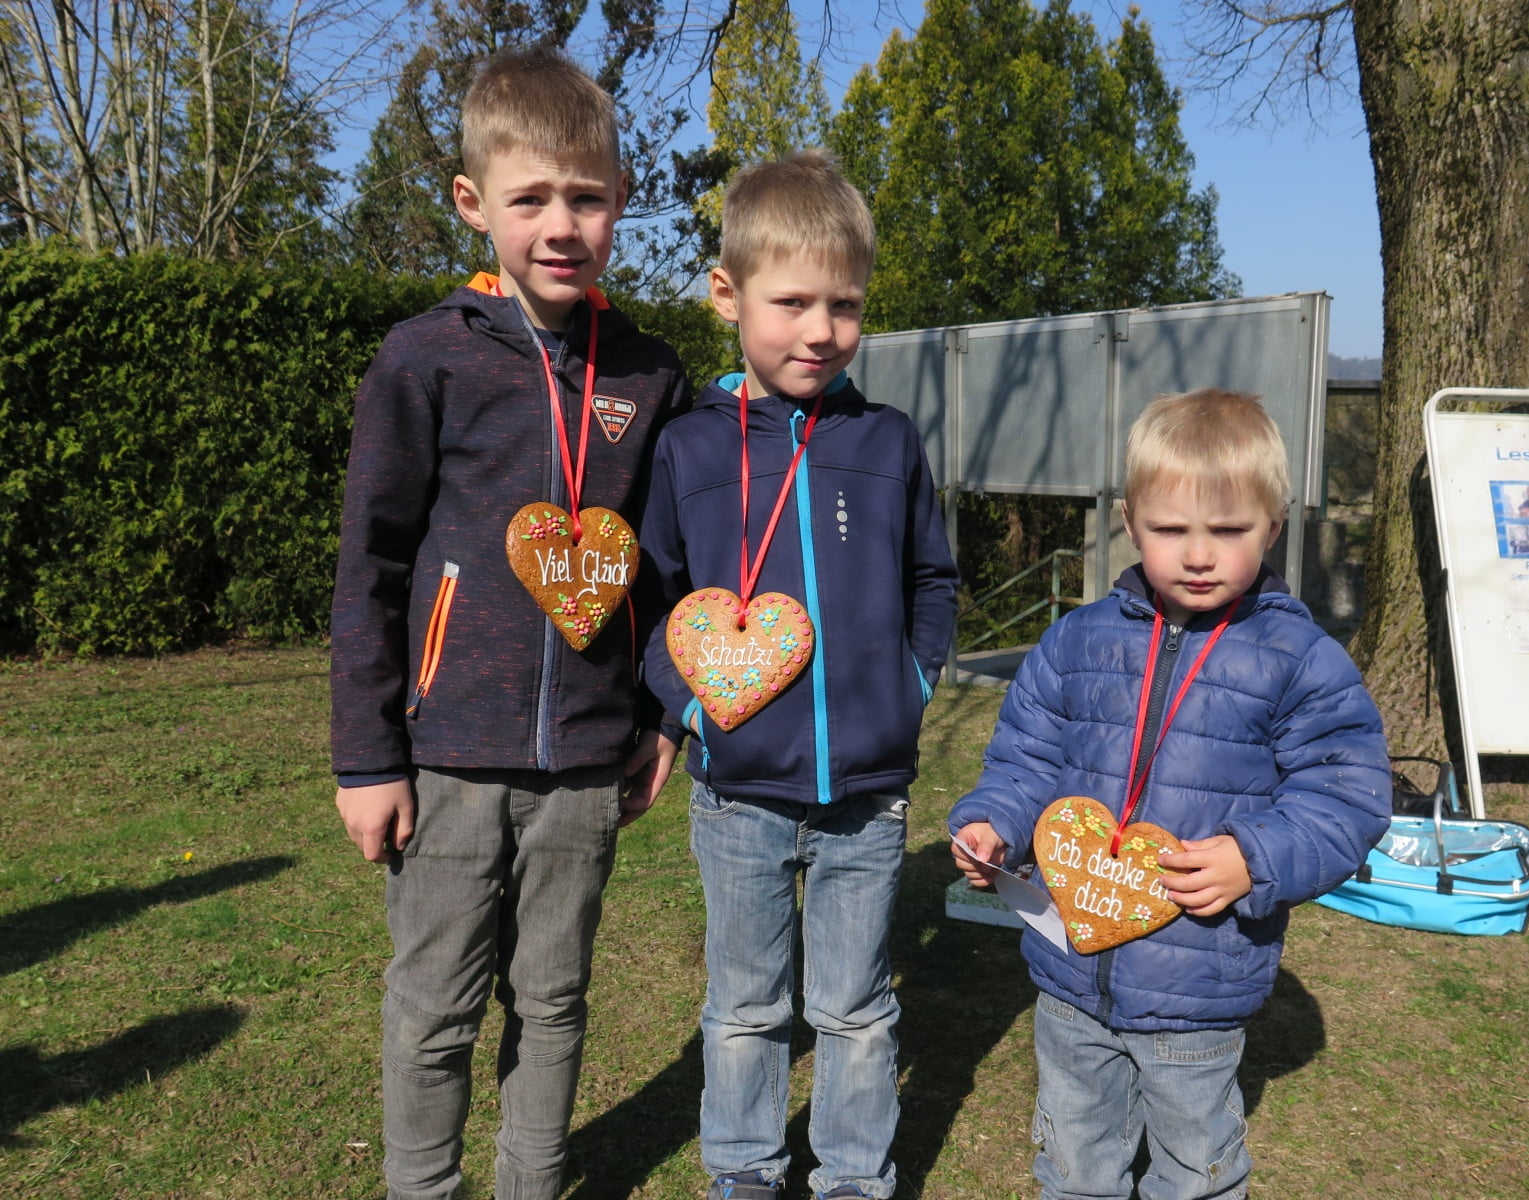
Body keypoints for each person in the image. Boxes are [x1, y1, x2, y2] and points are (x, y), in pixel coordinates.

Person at [328, 45, 689, 1200]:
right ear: (473, 203)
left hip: (584, 761)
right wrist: (368, 755)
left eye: (587, 196)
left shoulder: (649, 374)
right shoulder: (423, 358)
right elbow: (371, 566)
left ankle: (533, 1185)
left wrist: (655, 718)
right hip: (444, 763)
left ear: (620, 202)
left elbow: (660, 573)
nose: (561, 224)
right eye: (530, 197)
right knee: (432, 1007)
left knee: (555, 999)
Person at [948, 389, 1391, 1200]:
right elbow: (1026, 755)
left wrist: (1254, 859)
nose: (1198, 554)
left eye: (1229, 531)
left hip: (1199, 991)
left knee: (1194, 1173)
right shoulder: (1076, 640)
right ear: (1128, 519)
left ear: (1276, 524)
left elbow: (1348, 799)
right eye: (1170, 529)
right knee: (1074, 1164)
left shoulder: (1299, 660)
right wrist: (993, 824)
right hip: (1067, 975)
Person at [638, 149, 959, 1200]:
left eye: (845, 304)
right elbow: (654, 602)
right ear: (726, 295)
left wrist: (906, 687)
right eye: (791, 303)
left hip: (866, 802)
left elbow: (931, 577)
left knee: (857, 1008)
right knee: (744, 1005)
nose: (819, 330)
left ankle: (855, 1179)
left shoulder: (887, 440)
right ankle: (742, 1170)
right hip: (737, 797)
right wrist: (692, 709)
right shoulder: (687, 449)